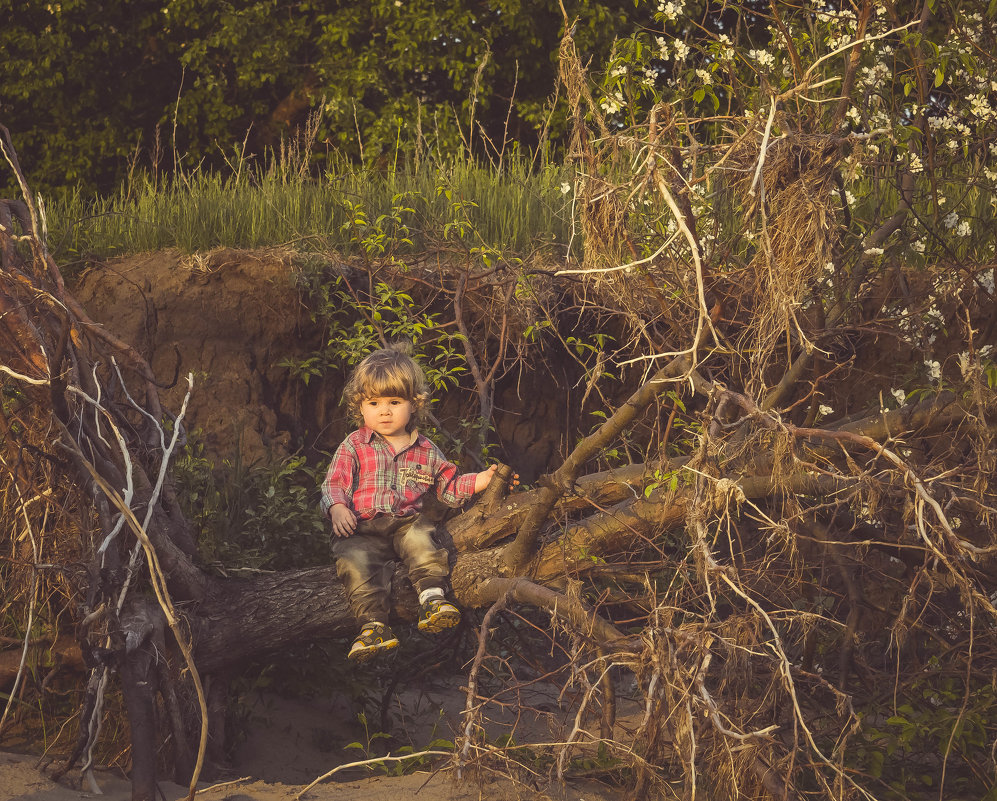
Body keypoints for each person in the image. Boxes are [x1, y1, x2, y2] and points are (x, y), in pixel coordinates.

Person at [320, 344, 499, 663]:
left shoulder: (426, 450)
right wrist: (337, 507)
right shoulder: (355, 445)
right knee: (353, 561)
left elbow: (450, 487)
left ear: (413, 405)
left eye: (394, 402)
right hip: (362, 528)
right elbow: (335, 482)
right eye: (374, 403)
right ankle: (373, 626)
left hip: (405, 523)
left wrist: (482, 480)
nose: (384, 411)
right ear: (360, 407)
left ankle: (432, 598)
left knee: (421, 537)